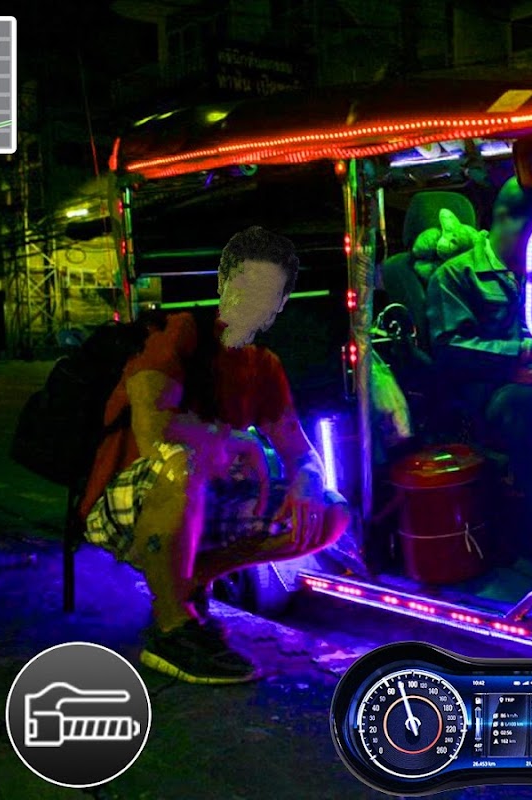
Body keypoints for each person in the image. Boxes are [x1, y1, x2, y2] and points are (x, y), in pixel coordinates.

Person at [80, 226, 350, 684]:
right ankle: (172, 628)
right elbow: (154, 432)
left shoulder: (263, 364)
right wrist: (230, 439)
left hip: (199, 501)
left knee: (330, 512)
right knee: (183, 464)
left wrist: (307, 481)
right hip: (128, 498)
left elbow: (301, 452)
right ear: (224, 284)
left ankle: (188, 581)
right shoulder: (181, 333)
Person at [425, 178, 532, 543]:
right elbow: (450, 349)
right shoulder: (454, 276)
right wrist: (522, 354)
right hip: (487, 394)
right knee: (521, 407)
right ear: (506, 220)